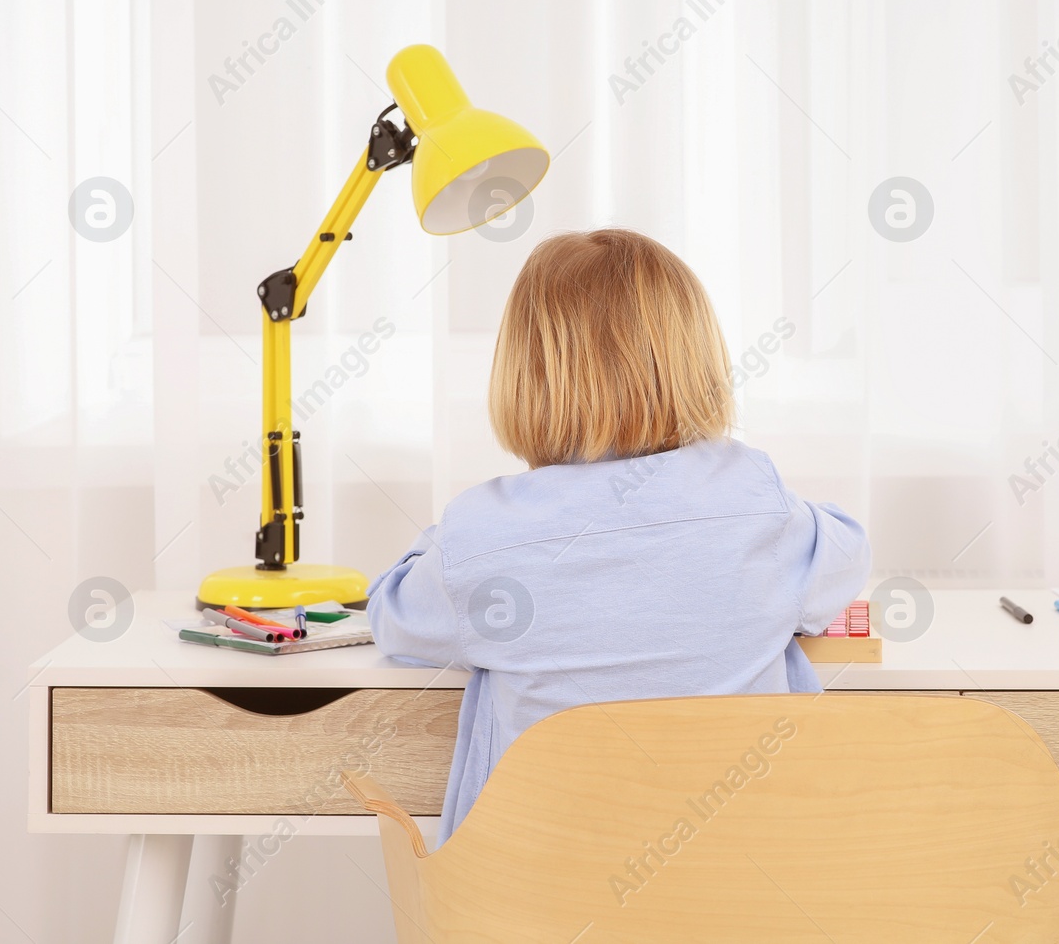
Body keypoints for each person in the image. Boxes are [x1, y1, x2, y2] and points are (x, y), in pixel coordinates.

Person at [367, 227, 870, 843]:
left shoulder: (481, 534)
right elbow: (844, 555)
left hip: (534, 915)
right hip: (744, 906)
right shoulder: (754, 502)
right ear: (697, 365)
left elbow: (393, 617)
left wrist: (443, 542)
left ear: (524, 376)